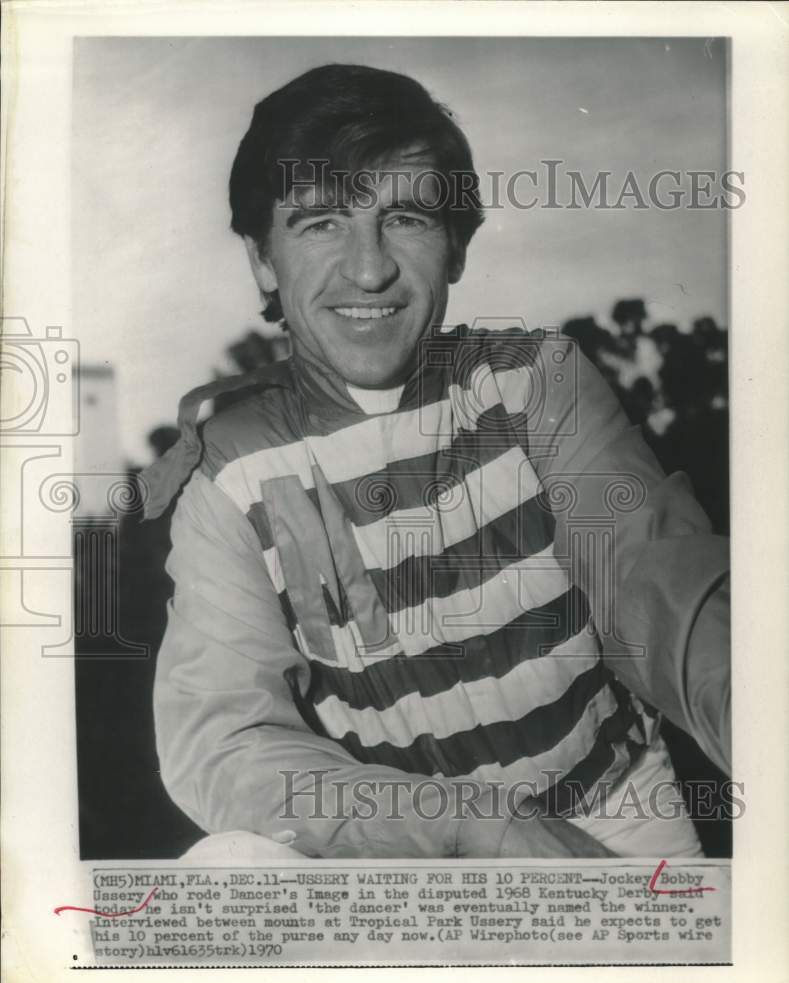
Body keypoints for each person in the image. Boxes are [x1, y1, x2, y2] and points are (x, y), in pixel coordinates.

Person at [142, 64, 730, 861]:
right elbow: (227, 739)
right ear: (261, 261)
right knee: (225, 866)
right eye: (319, 224)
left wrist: (747, 706)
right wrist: (463, 822)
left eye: (406, 218)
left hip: (612, 814)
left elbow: (656, 585)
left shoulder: (535, 381)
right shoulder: (226, 474)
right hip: (403, 850)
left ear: (455, 244)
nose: (368, 269)